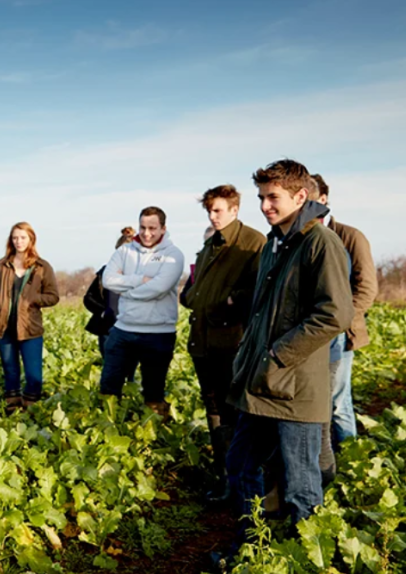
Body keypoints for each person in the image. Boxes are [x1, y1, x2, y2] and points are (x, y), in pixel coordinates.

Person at [226, 159, 353, 535]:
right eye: (261, 197)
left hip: (295, 388)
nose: (265, 205)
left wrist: (279, 354)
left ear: (301, 196)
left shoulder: (320, 243)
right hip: (261, 381)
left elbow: (335, 314)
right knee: (242, 465)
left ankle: (304, 556)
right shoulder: (274, 245)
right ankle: (253, 543)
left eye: (273, 197)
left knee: (300, 485)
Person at [179, 186, 266, 502]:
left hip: (231, 342)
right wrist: (191, 297)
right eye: (209, 211)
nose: (213, 216)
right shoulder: (210, 245)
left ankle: (243, 485)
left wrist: (232, 299)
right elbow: (194, 288)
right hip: (202, 341)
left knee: (234, 413)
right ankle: (225, 478)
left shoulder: (252, 243)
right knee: (213, 409)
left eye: (217, 210)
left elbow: (261, 291)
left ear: (234, 209)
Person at [99, 207, 185, 418]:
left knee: (154, 391)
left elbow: (159, 288)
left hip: (158, 334)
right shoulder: (124, 251)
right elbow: (108, 280)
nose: (147, 233)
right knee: (109, 385)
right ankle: (108, 424)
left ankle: (153, 434)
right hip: (123, 330)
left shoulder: (173, 255)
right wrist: (139, 280)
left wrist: (127, 292)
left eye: (153, 228)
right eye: (143, 227)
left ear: (163, 229)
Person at [313, 173, 377, 447]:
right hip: (310, 333)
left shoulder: (350, 236)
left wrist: (338, 321)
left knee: (338, 400)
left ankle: (351, 460)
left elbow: (366, 288)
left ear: (323, 199)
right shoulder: (298, 237)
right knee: (314, 402)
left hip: (340, 332)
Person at [0, 222, 60, 412]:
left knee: (33, 374)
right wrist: (1, 300)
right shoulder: (2, 264)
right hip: (4, 328)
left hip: (30, 328)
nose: (18, 241)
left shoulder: (42, 266)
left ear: (31, 240)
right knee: (10, 371)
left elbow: (53, 296)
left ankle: (31, 409)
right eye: (15, 238)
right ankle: (12, 410)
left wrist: (33, 299)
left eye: (23, 237)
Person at [84, 228, 135, 378]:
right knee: (110, 369)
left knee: (130, 371)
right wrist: (103, 311)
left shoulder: (141, 274)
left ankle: (127, 398)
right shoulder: (105, 273)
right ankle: (111, 400)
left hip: (133, 329)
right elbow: (89, 298)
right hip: (108, 329)